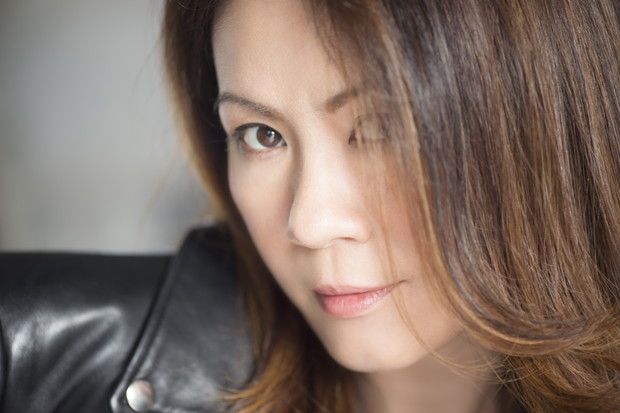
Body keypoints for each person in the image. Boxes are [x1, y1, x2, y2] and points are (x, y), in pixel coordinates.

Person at [0, 0, 618, 412]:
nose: (310, 223)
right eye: (261, 135)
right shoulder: (32, 353)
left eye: (380, 127)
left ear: (542, 123)